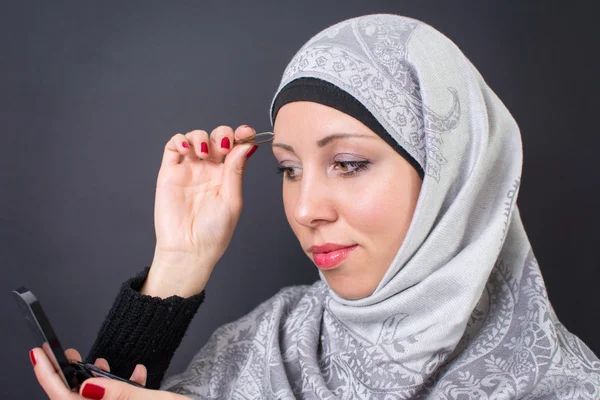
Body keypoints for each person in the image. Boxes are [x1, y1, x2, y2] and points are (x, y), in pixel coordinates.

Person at [29, 14, 600, 400]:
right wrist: (179, 262)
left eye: (349, 163)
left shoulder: (559, 384)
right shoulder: (278, 334)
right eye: (288, 168)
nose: (305, 209)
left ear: (452, 175)